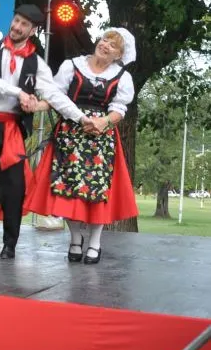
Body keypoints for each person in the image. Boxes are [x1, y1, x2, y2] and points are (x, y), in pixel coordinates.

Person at [0, 4, 93, 260]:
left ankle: (10, 243)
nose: (16, 27)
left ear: (33, 30)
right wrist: (20, 93)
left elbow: (55, 96)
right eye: (15, 21)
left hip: (11, 128)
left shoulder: (37, 63)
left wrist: (81, 118)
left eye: (24, 24)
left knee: (13, 188)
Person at [25, 28, 139, 264]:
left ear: (119, 55)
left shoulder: (122, 77)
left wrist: (103, 121)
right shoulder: (72, 65)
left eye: (113, 45)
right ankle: (75, 238)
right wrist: (37, 106)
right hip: (69, 134)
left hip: (100, 138)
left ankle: (95, 242)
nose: (105, 44)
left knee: (97, 191)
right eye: (105, 39)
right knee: (68, 189)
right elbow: (55, 96)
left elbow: (119, 110)